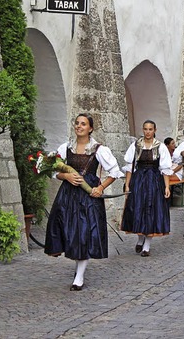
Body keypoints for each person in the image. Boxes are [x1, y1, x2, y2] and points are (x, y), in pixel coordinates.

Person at [44, 114, 124, 291]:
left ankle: (79, 276)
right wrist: (66, 176)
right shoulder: (65, 148)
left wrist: (100, 188)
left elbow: (115, 172)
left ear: (90, 128)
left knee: (83, 233)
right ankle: (75, 263)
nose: (79, 126)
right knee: (64, 228)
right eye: (77, 123)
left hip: (88, 197)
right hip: (67, 195)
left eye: (83, 124)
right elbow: (53, 171)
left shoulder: (99, 149)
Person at [121, 120, 172, 257]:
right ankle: (140, 238)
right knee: (138, 208)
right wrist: (127, 184)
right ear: (142, 130)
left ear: (155, 130)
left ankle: (147, 246)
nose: (148, 132)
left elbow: (165, 169)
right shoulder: (136, 145)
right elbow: (130, 167)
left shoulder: (160, 147)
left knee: (151, 210)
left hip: (154, 181)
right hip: (138, 180)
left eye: (150, 129)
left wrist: (167, 187)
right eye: (145, 129)